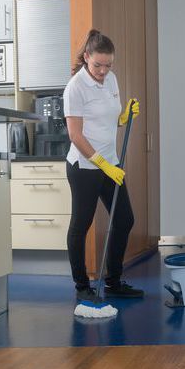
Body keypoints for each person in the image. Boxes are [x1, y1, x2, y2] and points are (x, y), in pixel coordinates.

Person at [63, 29, 143, 301]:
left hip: (110, 163)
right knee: (81, 225)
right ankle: (81, 286)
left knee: (124, 219)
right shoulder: (75, 87)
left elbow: (107, 119)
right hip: (84, 167)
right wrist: (101, 164)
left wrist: (124, 116)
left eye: (108, 65)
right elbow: (76, 135)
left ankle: (113, 281)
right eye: (98, 65)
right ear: (87, 57)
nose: (103, 71)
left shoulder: (112, 79)